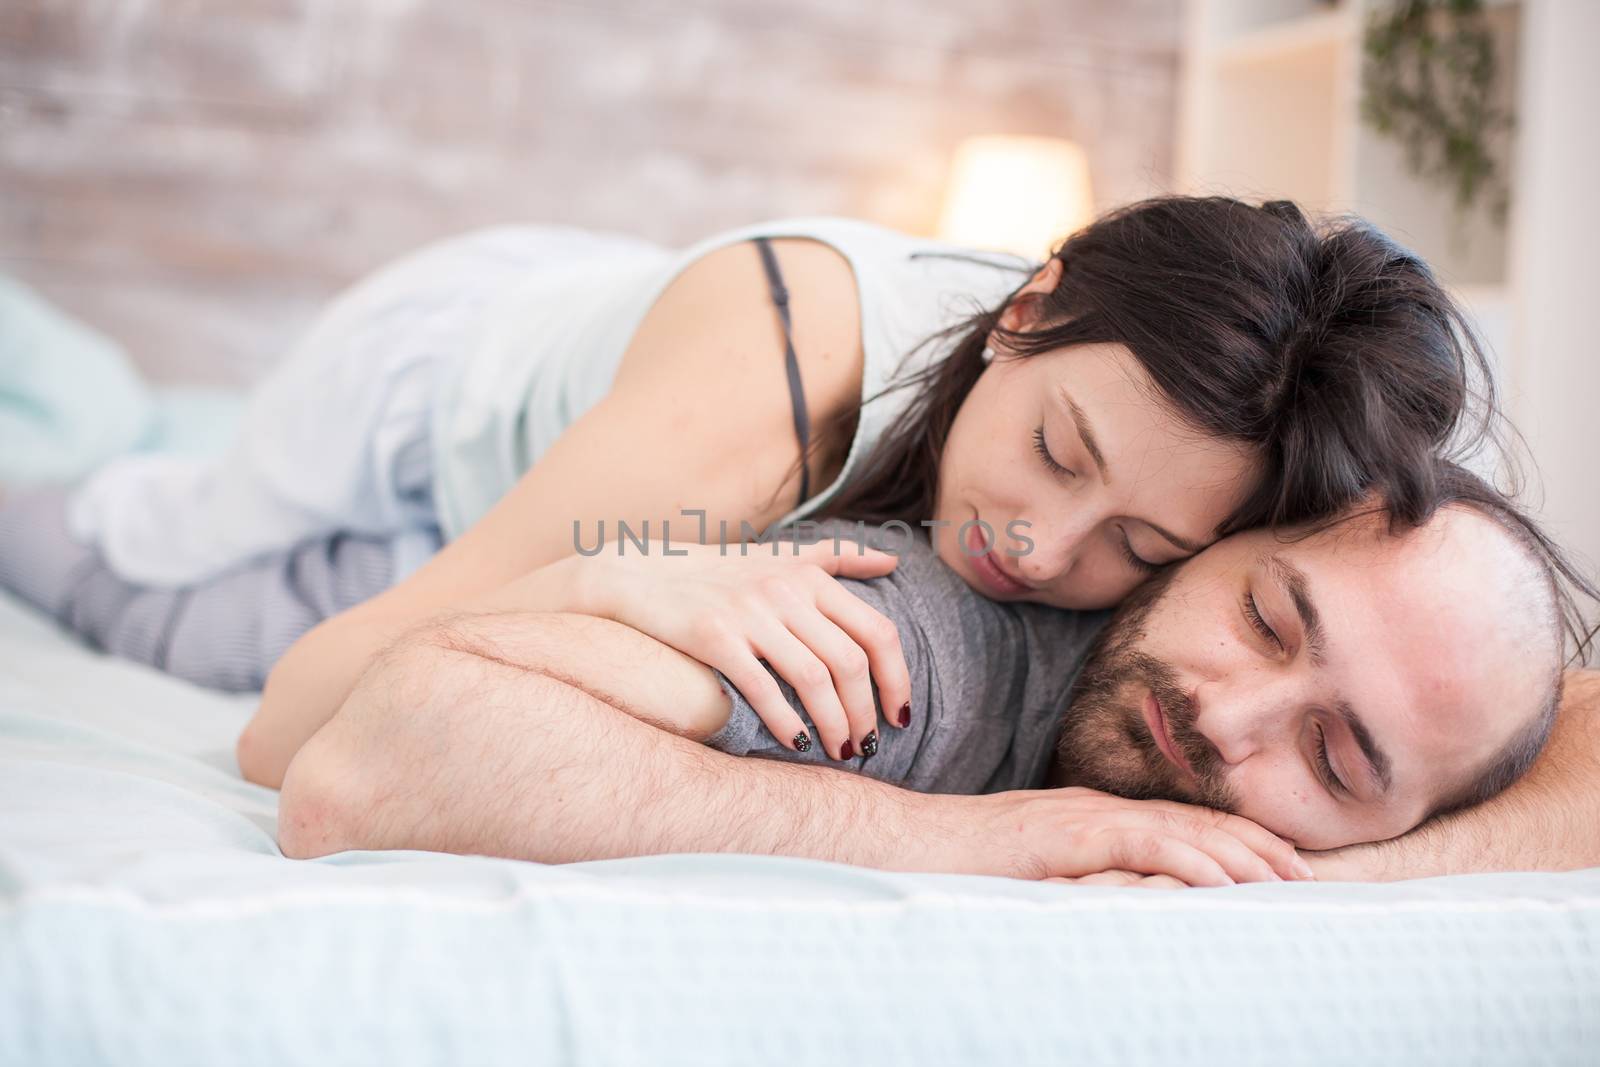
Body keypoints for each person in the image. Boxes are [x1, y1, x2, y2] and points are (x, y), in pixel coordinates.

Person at [2, 198, 1485, 779]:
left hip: (585, 423)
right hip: (432, 394)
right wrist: (613, 570)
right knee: (145, 569)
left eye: (1141, 544)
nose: (1038, 548)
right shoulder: (760, 411)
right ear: (1027, 310)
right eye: (1055, 453)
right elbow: (286, 735)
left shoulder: (1188, 470)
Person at [269, 472, 1599, 886]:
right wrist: (985, 839)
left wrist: (1323, 882)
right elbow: (365, 762)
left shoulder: (1448, 690)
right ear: (1228, 530)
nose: (1225, 717)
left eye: (1337, 758)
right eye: (1262, 617)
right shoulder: (928, 656)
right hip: (429, 474)